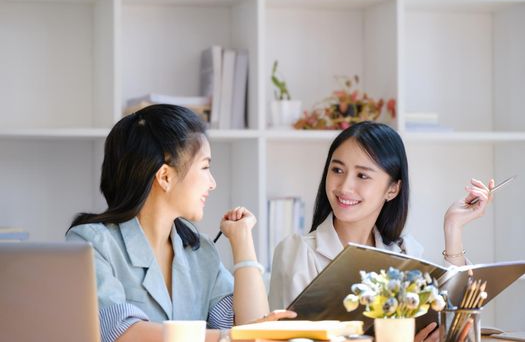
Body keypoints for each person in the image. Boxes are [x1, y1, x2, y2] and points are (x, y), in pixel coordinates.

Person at [66, 104, 295, 342]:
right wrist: (227, 337)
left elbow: (251, 330)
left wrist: (242, 240)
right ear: (165, 176)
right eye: (205, 167)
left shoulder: (200, 253)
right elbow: (118, 331)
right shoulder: (90, 245)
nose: (212, 183)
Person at [268, 121, 493, 341]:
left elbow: (457, 322)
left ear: (393, 189)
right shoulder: (298, 252)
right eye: (337, 170)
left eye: (362, 175)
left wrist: (452, 228)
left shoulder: (405, 253)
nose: (344, 186)